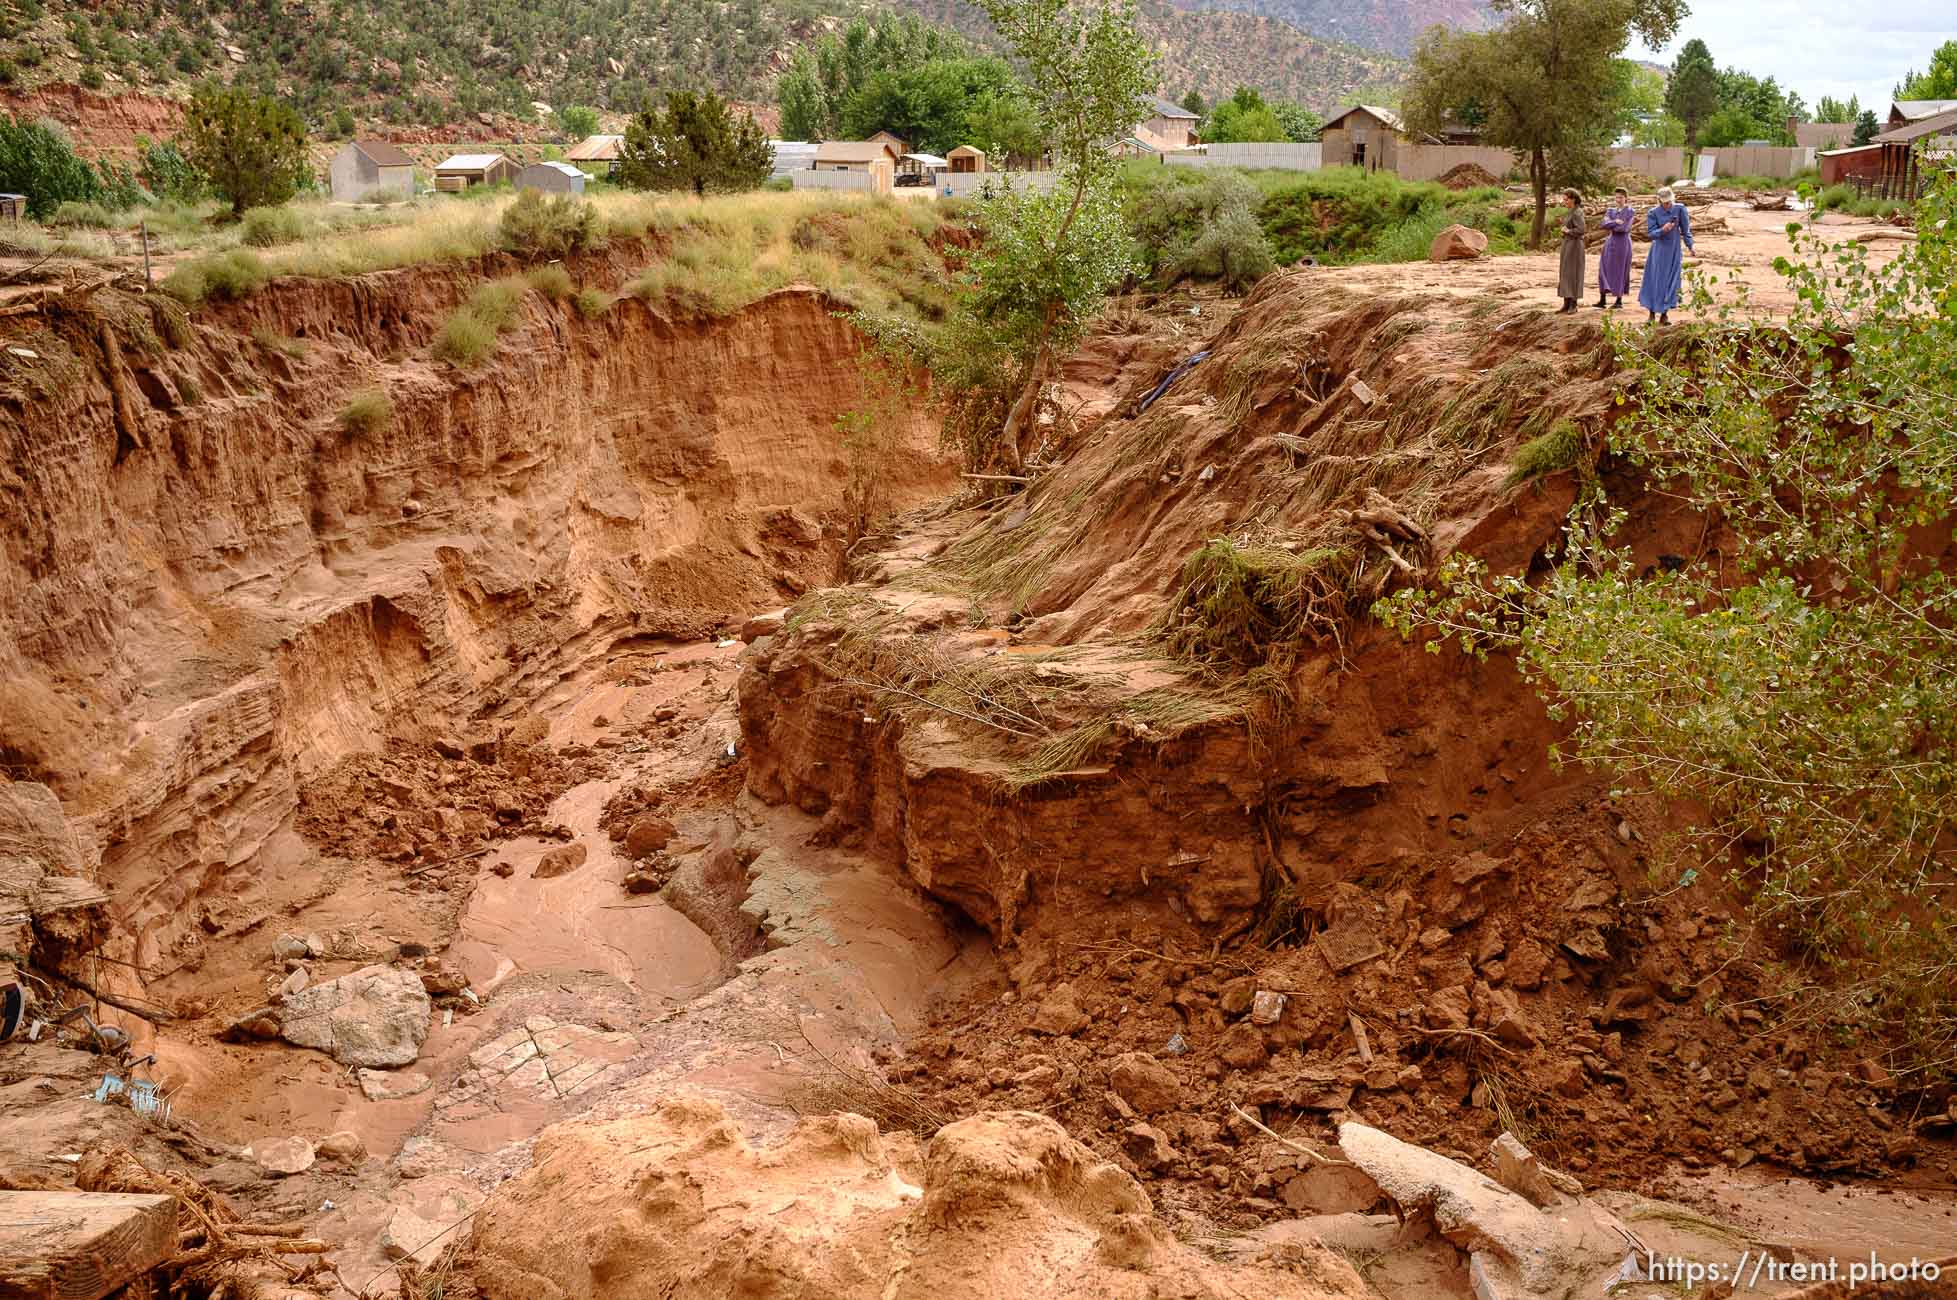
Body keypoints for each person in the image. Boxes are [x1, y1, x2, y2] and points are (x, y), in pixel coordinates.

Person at [1638, 187, 1694, 324]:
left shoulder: (1680, 209)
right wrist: (1662, 230)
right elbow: (1651, 234)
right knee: (1655, 280)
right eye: (1664, 202)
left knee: (1671, 281)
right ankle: (1651, 313)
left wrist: (1690, 245)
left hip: (1674, 251)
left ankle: (1664, 314)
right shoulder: (1653, 212)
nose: (1667, 205)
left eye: (1669, 202)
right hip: (1659, 251)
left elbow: (1685, 230)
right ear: (1659, 201)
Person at [1595, 187, 1634, 309]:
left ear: (1626, 198)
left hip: (1623, 243)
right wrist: (1616, 222)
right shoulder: (1610, 210)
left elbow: (1624, 228)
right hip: (1610, 241)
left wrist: (1612, 223)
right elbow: (1603, 224)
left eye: (1621, 197)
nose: (1618, 200)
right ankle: (1602, 299)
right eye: (1616, 197)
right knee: (1603, 268)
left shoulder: (1630, 211)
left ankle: (1619, 300)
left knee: (1620, 269)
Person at [1555, 189, 1585, 314]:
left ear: (1573, 199)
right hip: (1567, 244)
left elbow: (1581, 229)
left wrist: (1568, 231)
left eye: (1566, 199)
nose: (1564, 201)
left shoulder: (1577, 212)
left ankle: (1574, 303)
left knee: (1573, 272)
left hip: (1575, 246)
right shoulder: (1570, 212)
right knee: (1565, 272)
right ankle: (1566, 303)